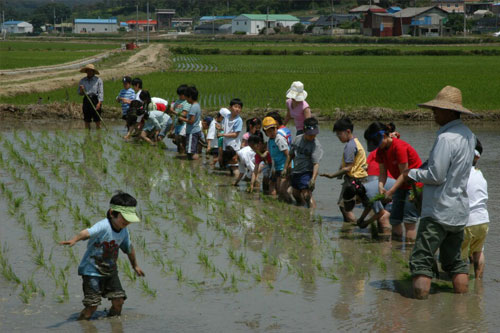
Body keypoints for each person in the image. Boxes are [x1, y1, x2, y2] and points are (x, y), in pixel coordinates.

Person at [404, 85, 476, 299]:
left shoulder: (446, 139)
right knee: (455, 261)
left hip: (438, 210)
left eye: (437, 109)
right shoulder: (469, 135)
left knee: (422, 260)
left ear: (451, 112)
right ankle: (460, 308)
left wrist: (413, 174)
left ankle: (421, 312)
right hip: (459, 210)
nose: (434, 113)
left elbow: (436, 175)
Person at [60, 191, 145, 320]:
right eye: (124, 217)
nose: (127, 221)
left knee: (119, 301)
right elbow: (87, 232)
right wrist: (74, 239)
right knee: (92, 306)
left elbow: (129, 248)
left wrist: (135, 266)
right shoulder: (104, 226)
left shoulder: (124, 231)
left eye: (130, 219)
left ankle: (113, 324)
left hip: (110, 271)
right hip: (92, 271)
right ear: (112, 213)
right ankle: (83, 324)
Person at [364, 121, 422, 242]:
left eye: (377, 143)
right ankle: (396, 249)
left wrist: (390, 191)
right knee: (394, 219)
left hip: (413, 185)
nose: (377, 146)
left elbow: (404, 174)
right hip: (400, 184)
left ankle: (408, 251)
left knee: (409, 220)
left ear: (384, 136)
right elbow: (383, 173)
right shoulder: (381, 151)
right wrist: (381, 186)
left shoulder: (399, 147)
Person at [320, 117, 368, 223]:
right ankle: (351, 226)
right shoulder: (355, 142)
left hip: (353, 180)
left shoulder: (350, 146)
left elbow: (348, 167)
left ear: (348, 131)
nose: (338, 137)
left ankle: (354, 226)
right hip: (361, 179)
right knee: (353, 205)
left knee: (344, 206)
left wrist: (332, 175)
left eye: (339, 134)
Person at [461, 139, 489, 279]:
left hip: (467, 221)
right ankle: (478, 282)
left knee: (460, 258)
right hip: (483, 220)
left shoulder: (459, 174)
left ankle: (461, 289)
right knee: (478, 252)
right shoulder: (480, 174)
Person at [284, 117, 323, 208]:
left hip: (307, 172)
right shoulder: (297, 139)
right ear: (304, 130)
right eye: (310, 135)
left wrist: (313, 179)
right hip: (296, 171)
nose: (312, 137)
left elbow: (316, 164)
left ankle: (312, 213)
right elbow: (290, 155)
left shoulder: (316, 145)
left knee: (307, 195)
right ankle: (302, 211)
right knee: (296, 194)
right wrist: (285, 168)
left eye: (314, 134)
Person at [356, 149, 395, 237]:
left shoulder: (369, 193)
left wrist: (366, 222)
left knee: (383, 218)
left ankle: (386, 241)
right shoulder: (365, 190)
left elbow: (379, 212)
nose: (357, 203)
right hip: (385, 184)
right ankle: (383, 235)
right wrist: (361, 218)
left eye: (356, 200)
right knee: (380, 214)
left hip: (397, 194)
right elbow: (370, 205)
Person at [262, 116, 291, 201]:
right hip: (277, 167)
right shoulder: (270, 140)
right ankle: (275, 203)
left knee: (281, 188)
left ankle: (289, 203)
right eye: (268, 131)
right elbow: (271, 153)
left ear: (276, 128)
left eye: (273, 130)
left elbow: (288, 154)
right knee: (272, 184)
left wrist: (287, 168)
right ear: (265, 132)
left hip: (284, 167)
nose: (271, 132)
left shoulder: (279, 139)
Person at [178, 86, 202, 160]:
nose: (186, 99)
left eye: (186, 97)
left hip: (192, 131)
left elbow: (191, 121)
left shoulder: (193, 107)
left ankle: (195, 166)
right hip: (195, 130)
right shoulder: (197, 105)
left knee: (191, 152)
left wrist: (182, 119)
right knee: (192, 150)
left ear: (190, 97)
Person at [78, 64, 103, 130]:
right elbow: (80, 93)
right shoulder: (82, 81)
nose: (89, 72)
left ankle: (99, 136)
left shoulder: (98, 80)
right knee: (87, 120)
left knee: (97, 120)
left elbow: (101, 92)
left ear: (93, 72)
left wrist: (99, 103)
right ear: (86, 72)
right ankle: (87, 136)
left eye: (91, 71)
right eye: (88, 71)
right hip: (87, 100)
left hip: (95, 100)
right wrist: (81, 90)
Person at [167, 84, 191, 154]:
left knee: (182, 142)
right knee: (178, 142)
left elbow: (184, 114)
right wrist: (171, 129)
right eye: (179, 95)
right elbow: (174, 116)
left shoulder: (187, 102)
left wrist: (173, 111)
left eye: (181, 95)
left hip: (183, 125)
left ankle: (183, 157)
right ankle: (180, 155)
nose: (180, 96)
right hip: (177, 124)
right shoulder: (177, 101)